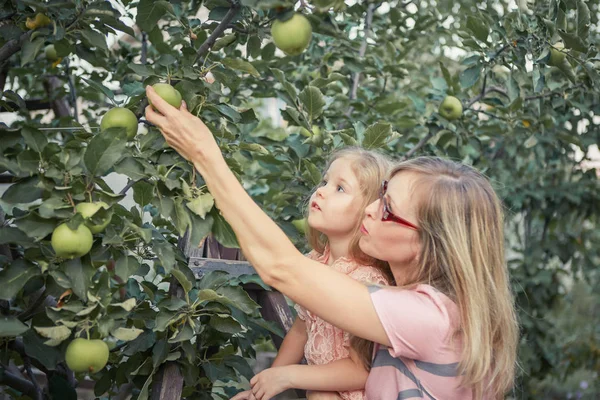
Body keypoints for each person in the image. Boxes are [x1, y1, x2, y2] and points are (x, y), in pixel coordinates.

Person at [145, 86, 519, 399]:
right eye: (380, 195)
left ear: (429, 243)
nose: (370, 210)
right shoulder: (432, 308)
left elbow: (282, 267)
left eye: (387, 208)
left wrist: (205, 156)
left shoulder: (428, 319)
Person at [233, 147, 392, 400]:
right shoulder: (317, 262)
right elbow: (300, 330)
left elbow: (362, 370)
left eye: (340, 188)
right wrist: (262, 391)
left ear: (368, 211)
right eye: (325, 181)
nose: (321, 190)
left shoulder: (365, 281)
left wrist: (290, 376)